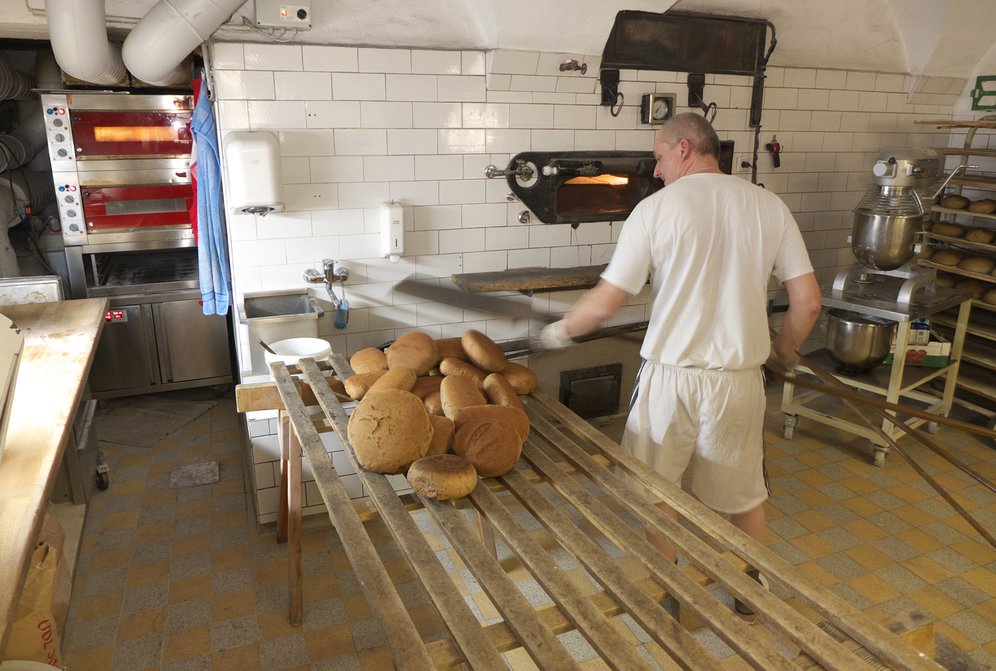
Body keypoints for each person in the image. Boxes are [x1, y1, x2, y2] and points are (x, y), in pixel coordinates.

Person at [539, 112, 822, 615]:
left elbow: (604, 305)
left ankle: (670, 592)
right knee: (743, 494)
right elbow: (808, 303)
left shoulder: (654, 210)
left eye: (660, 156)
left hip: (670, 381)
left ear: (685, 149)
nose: (656, 168)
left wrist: (556, 331)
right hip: (738, 380)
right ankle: (749, 591)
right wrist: (782, 352)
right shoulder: (769, 206)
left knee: (655, 492)